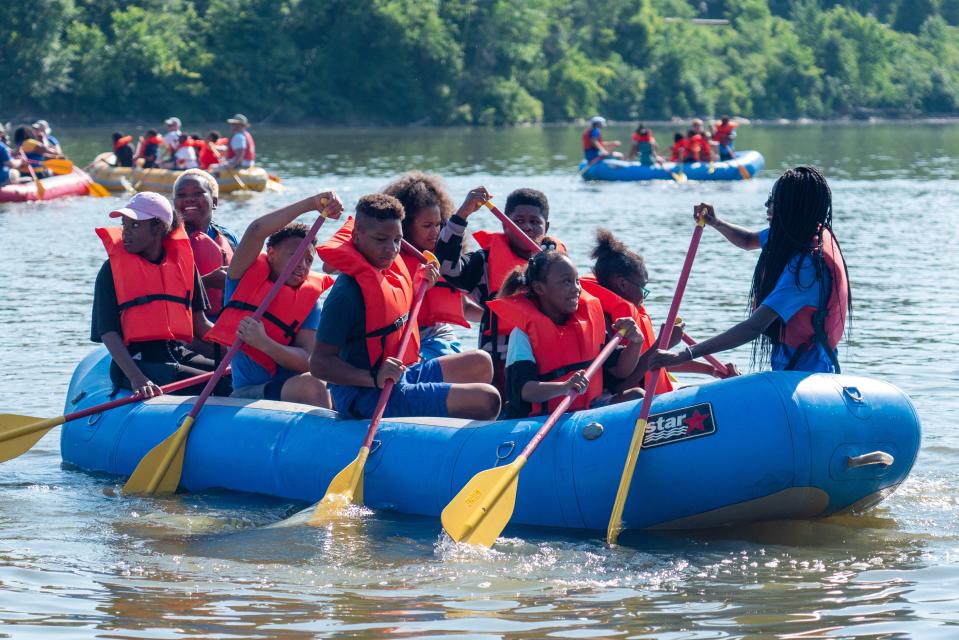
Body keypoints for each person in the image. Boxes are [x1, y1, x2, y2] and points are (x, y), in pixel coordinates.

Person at [311, 194, 501, 420]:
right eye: (381, 240)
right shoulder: (346, 293)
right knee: (487, 399)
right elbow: (319, 364)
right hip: (364, 394)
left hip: (398, 377)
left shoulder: (389, 271)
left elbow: (389, 312)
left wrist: (420, 285)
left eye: (397, 240)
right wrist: (373, 378)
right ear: (357, 236)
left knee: (481, 362)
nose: (391, 249)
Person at [651, 166, 851, 374]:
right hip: (790, 364)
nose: (767, 205)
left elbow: (754, 327)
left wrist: (685, 355)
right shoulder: (791, 235)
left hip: (809, 371)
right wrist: (716, 223)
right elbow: (748, 240)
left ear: (793, 206)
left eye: (774, 200)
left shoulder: (807, 268)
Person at [205, 193, 340, 406]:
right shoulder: (241, 278)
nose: (302, 265)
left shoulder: (309, 302)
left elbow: (308, 360)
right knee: (313, 387)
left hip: (290, 386)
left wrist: (264, 343)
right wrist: (311, 203)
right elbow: (256, 230)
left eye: (308, 259)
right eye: (294, 255)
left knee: (325, 383)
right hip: (249, 393)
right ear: (271, 253)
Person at [91, 192, 222, 398]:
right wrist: (137, 378)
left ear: (159, 227)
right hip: (138, 362)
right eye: (125, 225)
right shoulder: (111, 271)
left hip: (177, 353)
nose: (126, 232)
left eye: (135, 225)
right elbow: (108, 333)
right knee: (220, 386)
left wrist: (237, 352)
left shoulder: (184, 266)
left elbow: (200, 324)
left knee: (232, 377)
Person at [434, 186, 564, 393]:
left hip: (550, 365)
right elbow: (446, 267)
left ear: (546, 227)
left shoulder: (560, 265)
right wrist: (463, 213)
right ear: (505, 225)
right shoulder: (484, 262)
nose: (527, 228)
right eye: (518, 221)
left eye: (535, 222)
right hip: (503, 368)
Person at [488, 248, 646, 418]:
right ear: (539, 288)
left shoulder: (589, 323)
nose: (576, 289)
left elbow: (620, 370)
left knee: (637, 395)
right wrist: (564, 387)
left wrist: (636, 342)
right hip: (543, 418)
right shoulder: (521, 335)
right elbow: (526, 391)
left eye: (576, 281)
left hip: (588, 408)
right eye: (566, 282)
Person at [582, 229, 737, 393]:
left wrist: (710, 370)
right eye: (643, 287)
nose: (644, 295)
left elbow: (653, 361)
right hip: (627, 403)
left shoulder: (625, 314)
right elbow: (622, 386)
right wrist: (662, 343)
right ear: (622, 284)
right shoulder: (606, 323)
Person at [382, 172, 483, 360]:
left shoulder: (444, 259)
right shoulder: (387, 257)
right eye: (427, 225)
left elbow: (465, 308)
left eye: (438, 224)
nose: (435, 232)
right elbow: (331, 267)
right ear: (406, 225)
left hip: (438, 338)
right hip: (402, 338)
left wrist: (498, 317)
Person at [173, 169, 239, 318]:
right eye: (181, 195)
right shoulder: (164, 241)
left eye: (197, 193)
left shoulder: (229, 237)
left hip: (226, 324)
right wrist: (206, 282)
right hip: (185, 325)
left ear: (214, 202)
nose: (189, 199)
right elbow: (161, 291)